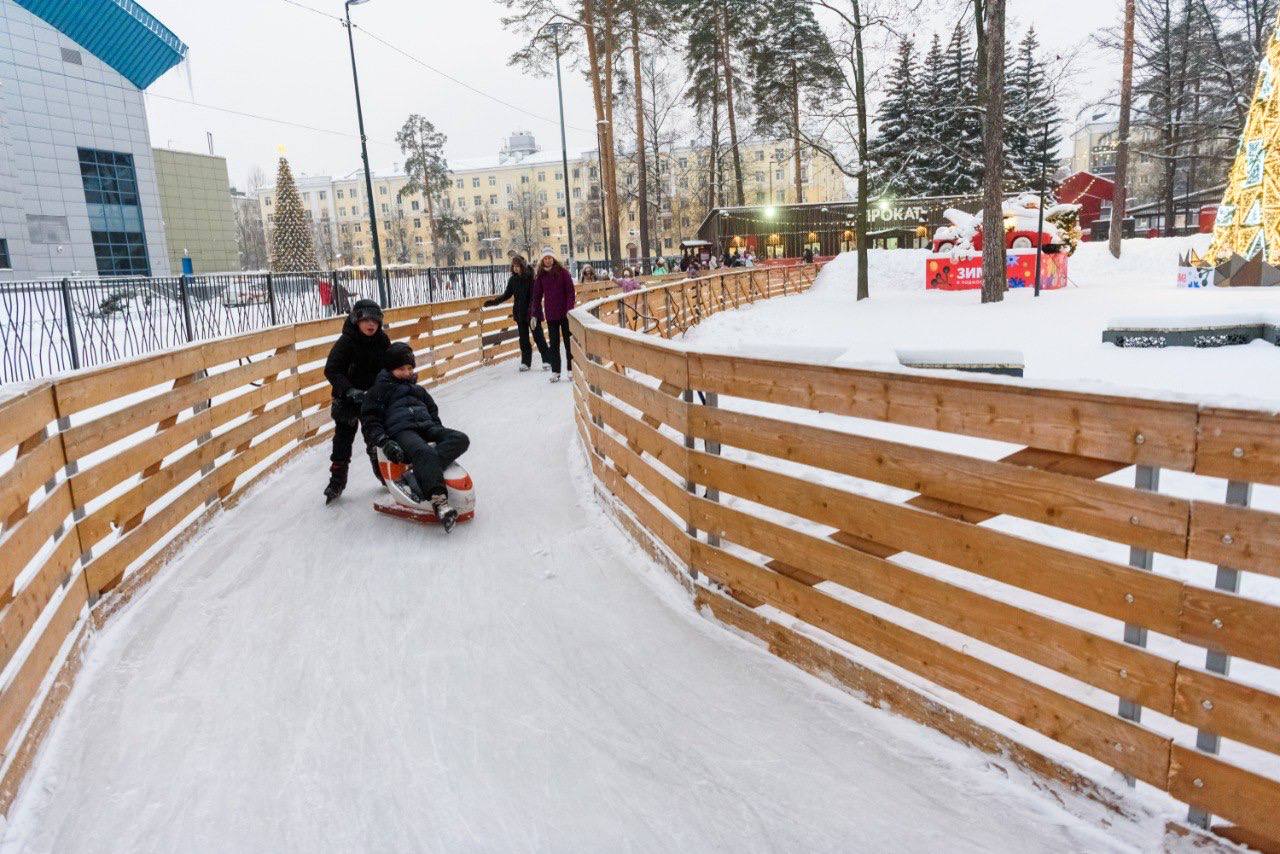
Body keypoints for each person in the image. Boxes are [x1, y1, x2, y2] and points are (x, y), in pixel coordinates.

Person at [361, 343, 470, 531]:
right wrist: (384, 442)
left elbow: (432, 409)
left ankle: (420, 469)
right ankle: (439, 503)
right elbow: (370, 420)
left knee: (460, 438)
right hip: (402, 431)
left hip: (427, 427)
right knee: (423, 451)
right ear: (389, 369)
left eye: (410, 368)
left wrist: (436, 428)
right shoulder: (379, 391)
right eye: (401, 369)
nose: (406, 372)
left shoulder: (418, 390)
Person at [322, 299, 390, 503]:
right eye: (366, 320)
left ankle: (385, 475)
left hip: (372, 399)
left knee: (375, 439)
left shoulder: (382, 341)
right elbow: (331, 369)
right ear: (356, 320)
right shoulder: (346, 342)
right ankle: (337, 480)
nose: (371, 325)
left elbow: (390, 365)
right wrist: (349, 390)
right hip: (347, 401)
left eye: (375, 321)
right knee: (342, 441)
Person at [484, 255, 551, 373]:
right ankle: (526, 362)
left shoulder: (531, 278)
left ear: (522, 266)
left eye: (518, 266)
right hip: (520, 314)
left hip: (532, 313)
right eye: (514, 266)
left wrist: (533, 313)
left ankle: (547, 360)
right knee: (524, 339)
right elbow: (507, 295)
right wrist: (493, 302)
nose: (516, 268)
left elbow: (534, 297)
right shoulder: (513, 280)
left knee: (538, 336)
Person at [532, 248, 576, 383]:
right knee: (554, 344)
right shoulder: (540, 276)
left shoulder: (563, 273)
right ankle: (556, 371)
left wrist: (569, 309)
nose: (548, 260)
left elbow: (570, 292)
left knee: (569, 343)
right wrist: (534, 314)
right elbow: (537, 296)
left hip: (565, 314)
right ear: (542, 260)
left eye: (550, 258)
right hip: (551, 315)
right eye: (545, 258)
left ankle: (571, 369)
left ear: (553, 259)